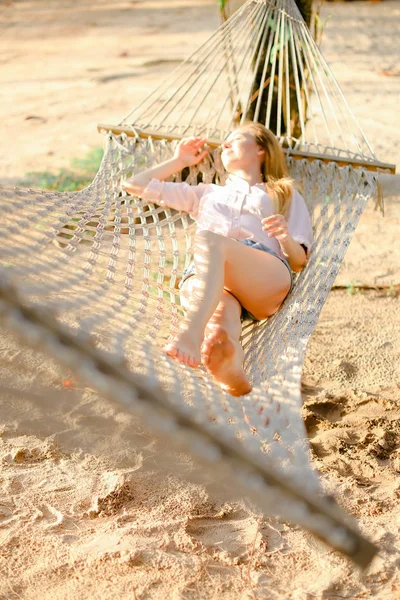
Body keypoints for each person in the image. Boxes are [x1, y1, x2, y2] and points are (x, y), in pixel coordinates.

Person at [122, 122, 313, 396]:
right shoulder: (206, 193)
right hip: (211, 282)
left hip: (263, 275)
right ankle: (231, 371)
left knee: (209, 239)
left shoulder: (283, 193)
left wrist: (285, 238)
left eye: (234, 138)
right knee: (220, 329)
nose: (224, 145)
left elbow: (298, 262)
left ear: (260, 148)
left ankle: (191, 331)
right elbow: (134, 184)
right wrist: (179, 160)